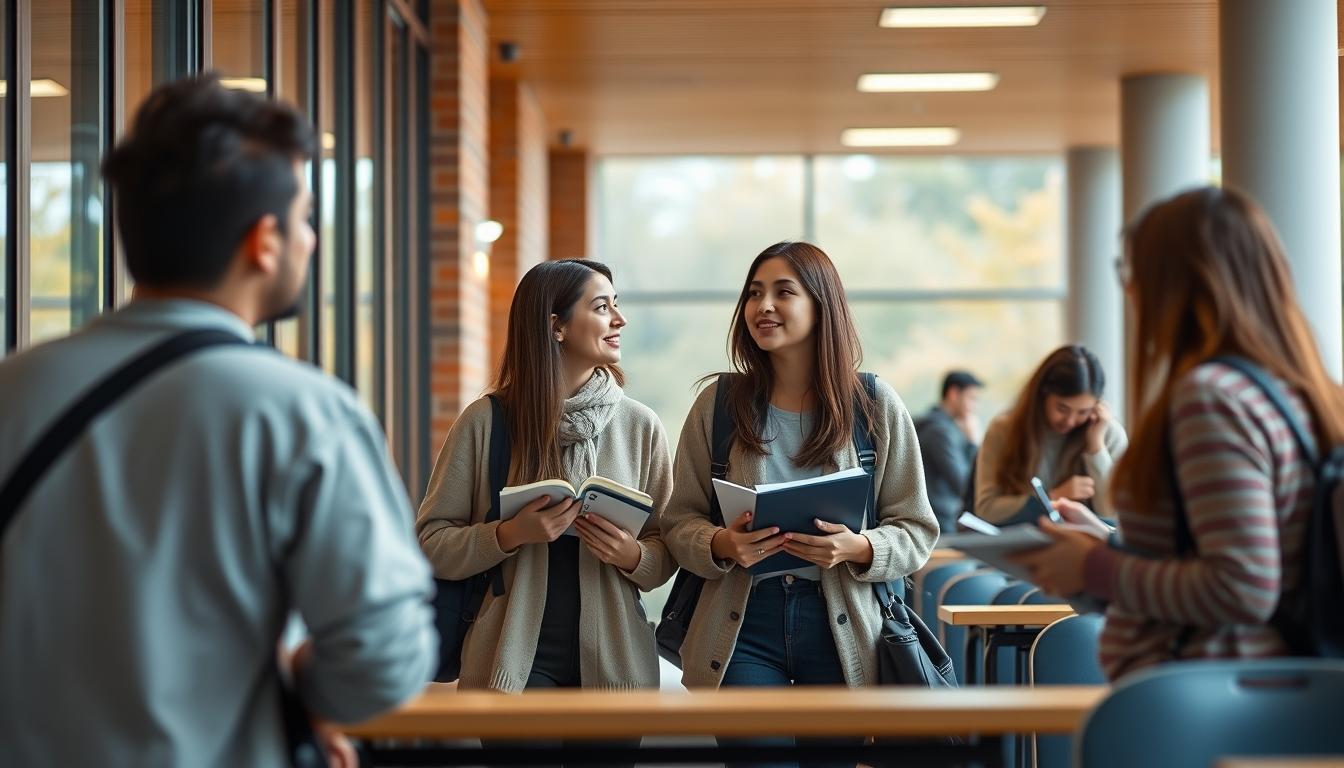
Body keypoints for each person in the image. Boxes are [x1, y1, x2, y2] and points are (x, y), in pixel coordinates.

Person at [0, 74, 436, 767]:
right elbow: (383, 660)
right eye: (306, 219)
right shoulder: (303, 414)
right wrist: (297, 689)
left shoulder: (12, 388)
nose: (313, 240)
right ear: (264, 241)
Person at [1013, 186, 1344, 680]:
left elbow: (1243, 586)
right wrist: (1111, 544)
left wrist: (1096, 568)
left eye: (1132, 271)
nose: (1128, 291)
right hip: (1266, 688)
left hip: (1201, 695)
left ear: (1174, 283)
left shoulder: (1211, 397)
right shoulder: (1306, 393)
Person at [660, 241, 938, 766]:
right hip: (742, 623)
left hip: (843, 623)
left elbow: (916, 529)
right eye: (753, 293)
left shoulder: (873, 405)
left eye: (783, 292)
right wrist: (720, 543)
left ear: (821, 305)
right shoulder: (717, 405)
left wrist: (858, 548)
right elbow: (678, 522)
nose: (763, 306)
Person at [416, 259, 675, 702]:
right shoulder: (485, 422)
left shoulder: (640, 426)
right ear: (556, 326)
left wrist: (633, 555)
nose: (619, 319)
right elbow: (431, 543)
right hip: (508, 661)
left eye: (616, 304)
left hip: (616, 664)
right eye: (600, 307)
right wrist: (509, 534)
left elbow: (668, 547)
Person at [974, 345, 1128, 525]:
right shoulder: (1004, 429)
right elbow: (986, 508)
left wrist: (1096, 448)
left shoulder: (1108, 433)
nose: (1070, 421)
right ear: (1042, 395)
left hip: (1086, 550)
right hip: (1022, 548)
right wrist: (1052, 498)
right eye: (1062, 408)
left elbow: (1115, 515)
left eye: (1083, 412)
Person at [914, 370, 984, 532]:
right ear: (953, 394)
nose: (974, 406)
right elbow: (964, 485)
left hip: (937, 518)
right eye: (971, 398)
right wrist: (972, 442)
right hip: (939, 522)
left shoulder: (936, 424)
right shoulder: (939, 431)